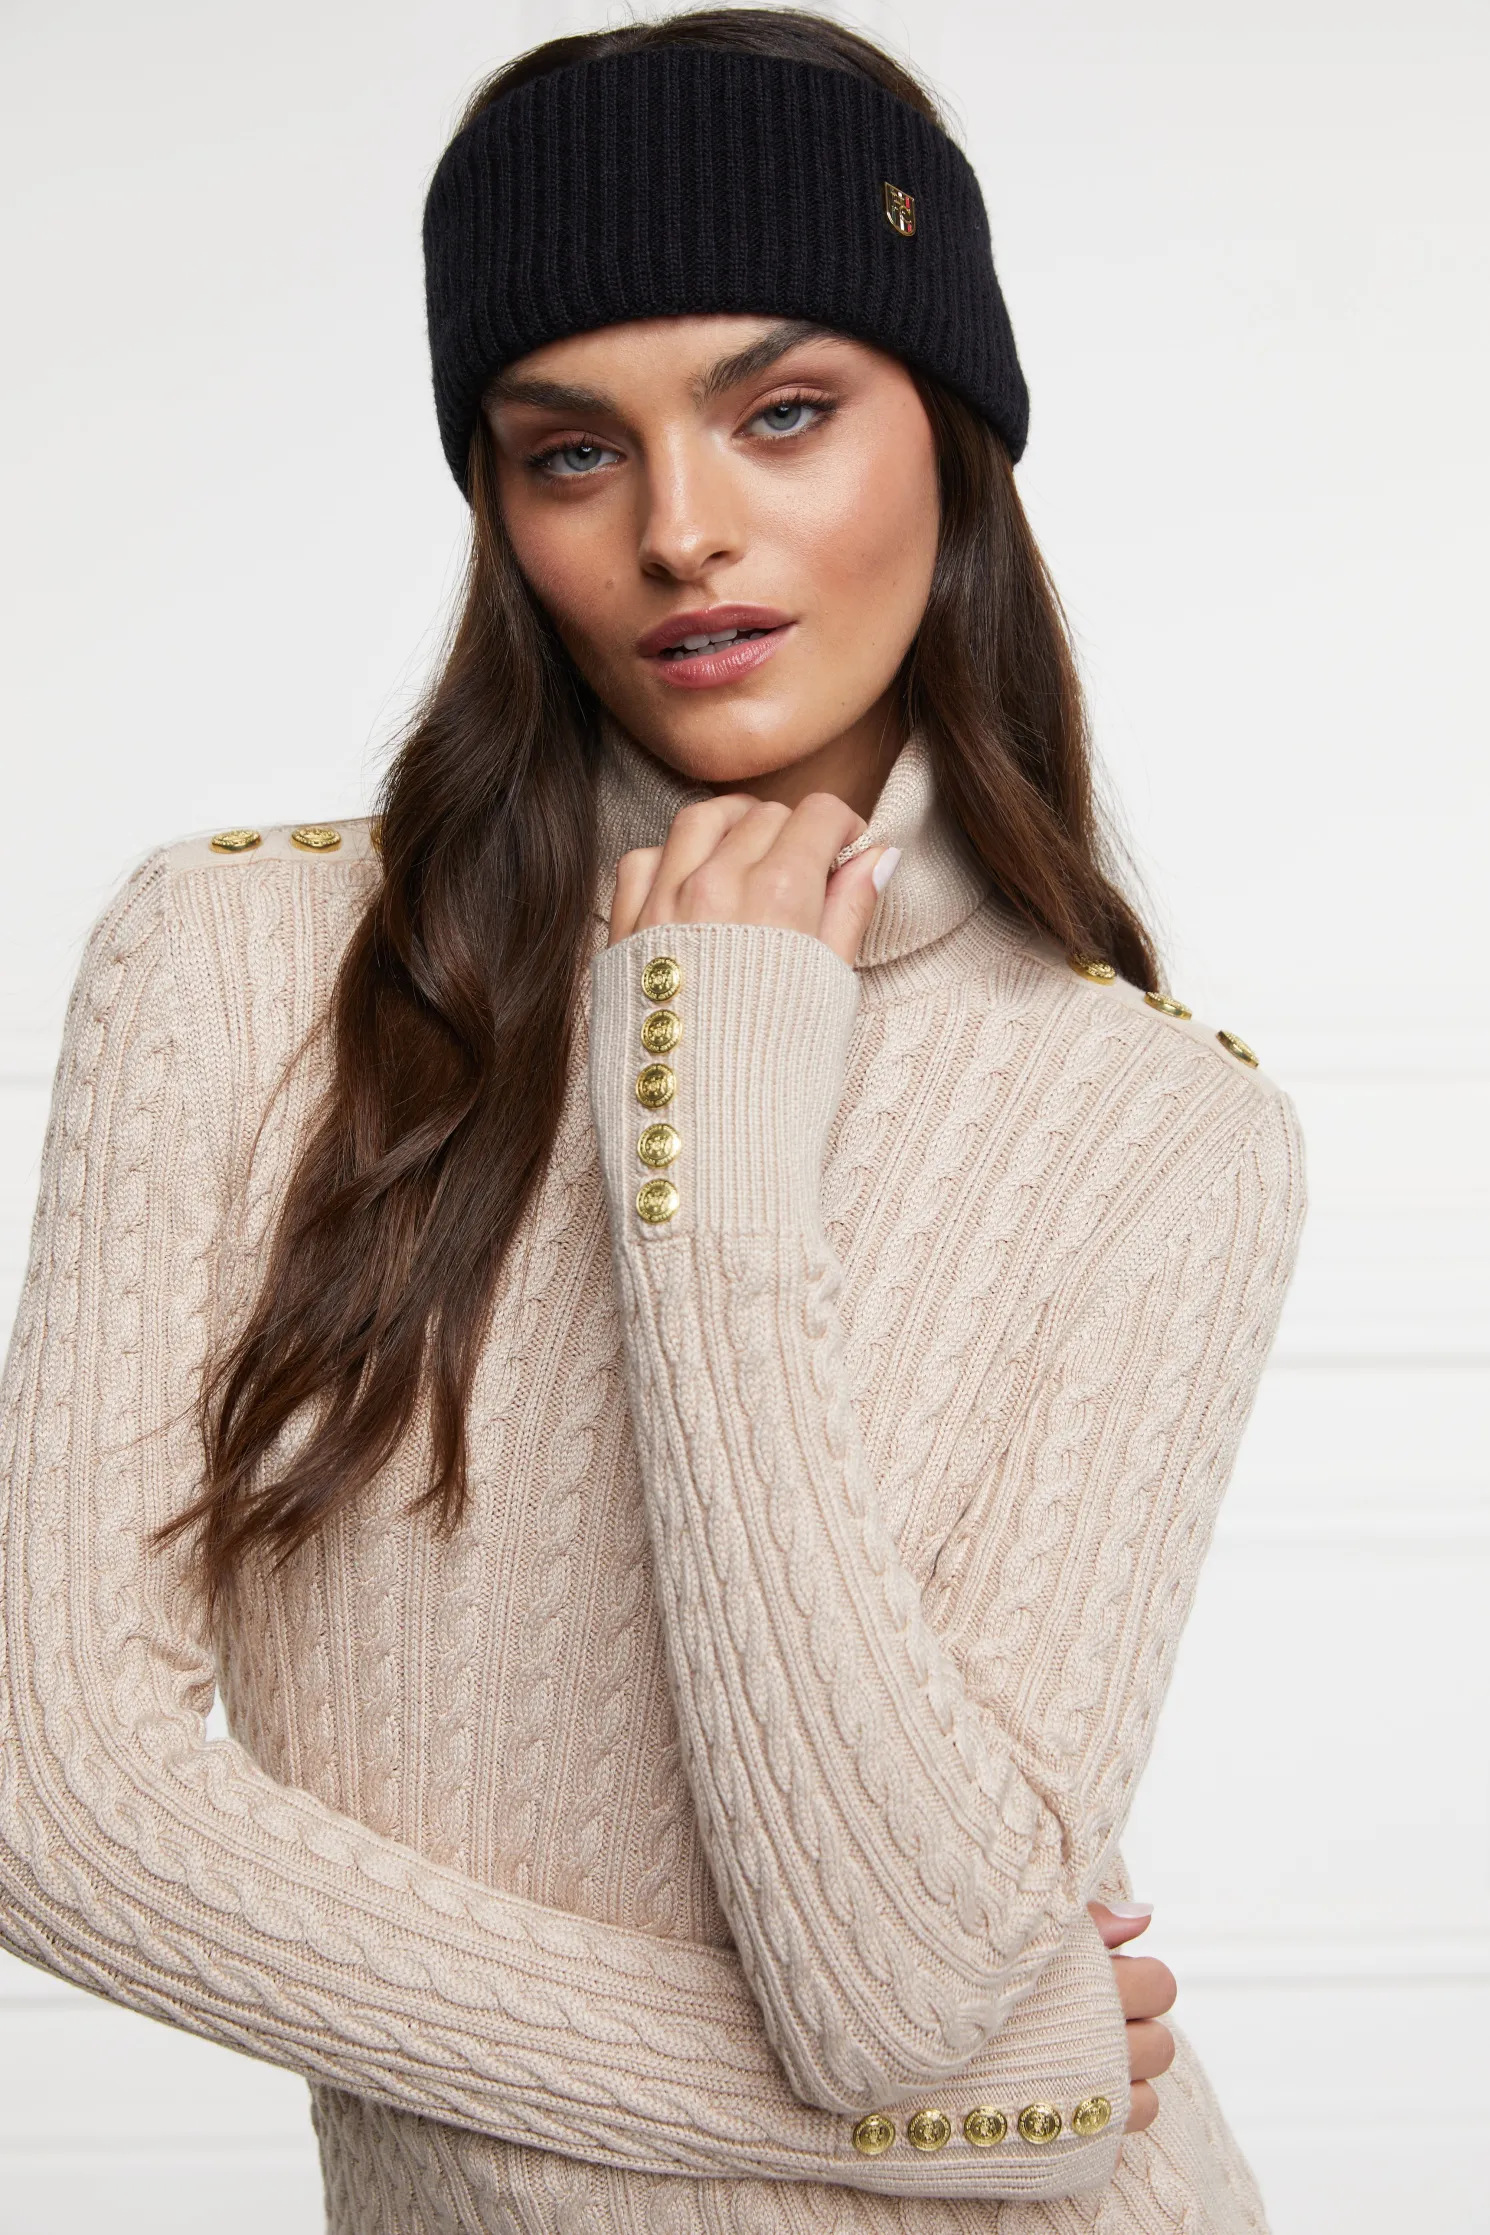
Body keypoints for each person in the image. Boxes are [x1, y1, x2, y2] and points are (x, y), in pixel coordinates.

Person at [0, 12, 1305, 2232]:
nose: (681, 531)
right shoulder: (236, 969)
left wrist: (707, 1107)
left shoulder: (1156, 1125)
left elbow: (901, 1986)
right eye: (570, 450)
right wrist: (963, 2107)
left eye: (782, 413)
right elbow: (55, 1806)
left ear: (951, 429)